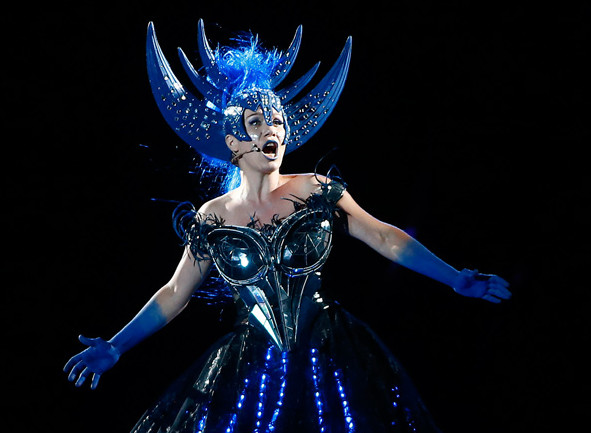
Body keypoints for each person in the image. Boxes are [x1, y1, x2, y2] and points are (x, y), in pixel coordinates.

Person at [64, 20, 511, 433]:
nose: (270, 130)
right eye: (256, 123)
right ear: (233, 141)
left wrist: (455, 277)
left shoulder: (315, 189)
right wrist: (117, 345)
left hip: (330, 353)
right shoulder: (213, 216)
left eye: (276, 121)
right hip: (250, 368)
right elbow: (174, 292)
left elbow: (382, 235)